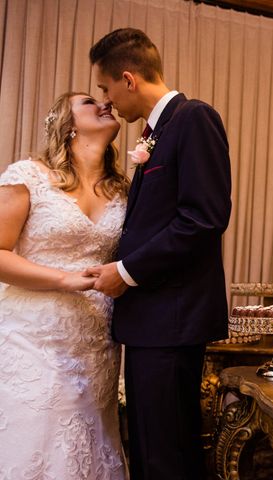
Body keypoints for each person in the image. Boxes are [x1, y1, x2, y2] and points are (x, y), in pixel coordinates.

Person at [87, 28, 232, 479]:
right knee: (151, 446)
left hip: (173, 317)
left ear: (128, 79)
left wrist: (126, 273)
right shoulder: (158, 132)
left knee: (167, 453)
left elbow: (202, 220)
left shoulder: (194, 118)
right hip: (154, 319)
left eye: (105, 89)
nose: (106, 102)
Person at [0, 92, 129, 478]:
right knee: (36, 438)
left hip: (97, 342)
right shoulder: (28, 176)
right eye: (90, 101)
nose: (105, 104)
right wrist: (65, 279)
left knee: (89, 448)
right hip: (33, 335)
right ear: (67, 123)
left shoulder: (123, 190)